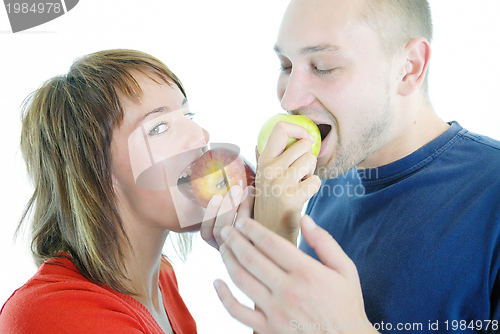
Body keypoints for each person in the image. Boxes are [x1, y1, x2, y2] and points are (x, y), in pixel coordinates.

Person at [203, 0, 500, 333]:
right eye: (286, 65)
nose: (289, 100)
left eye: (324, 66)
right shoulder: (324, 183)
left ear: (409, 67)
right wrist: (272, 239)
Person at [0, 49, 253, 333]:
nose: (200, 135)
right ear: (95, 171)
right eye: (158, 128)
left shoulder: (163, 281)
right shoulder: (56, 312)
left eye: (187, 114)